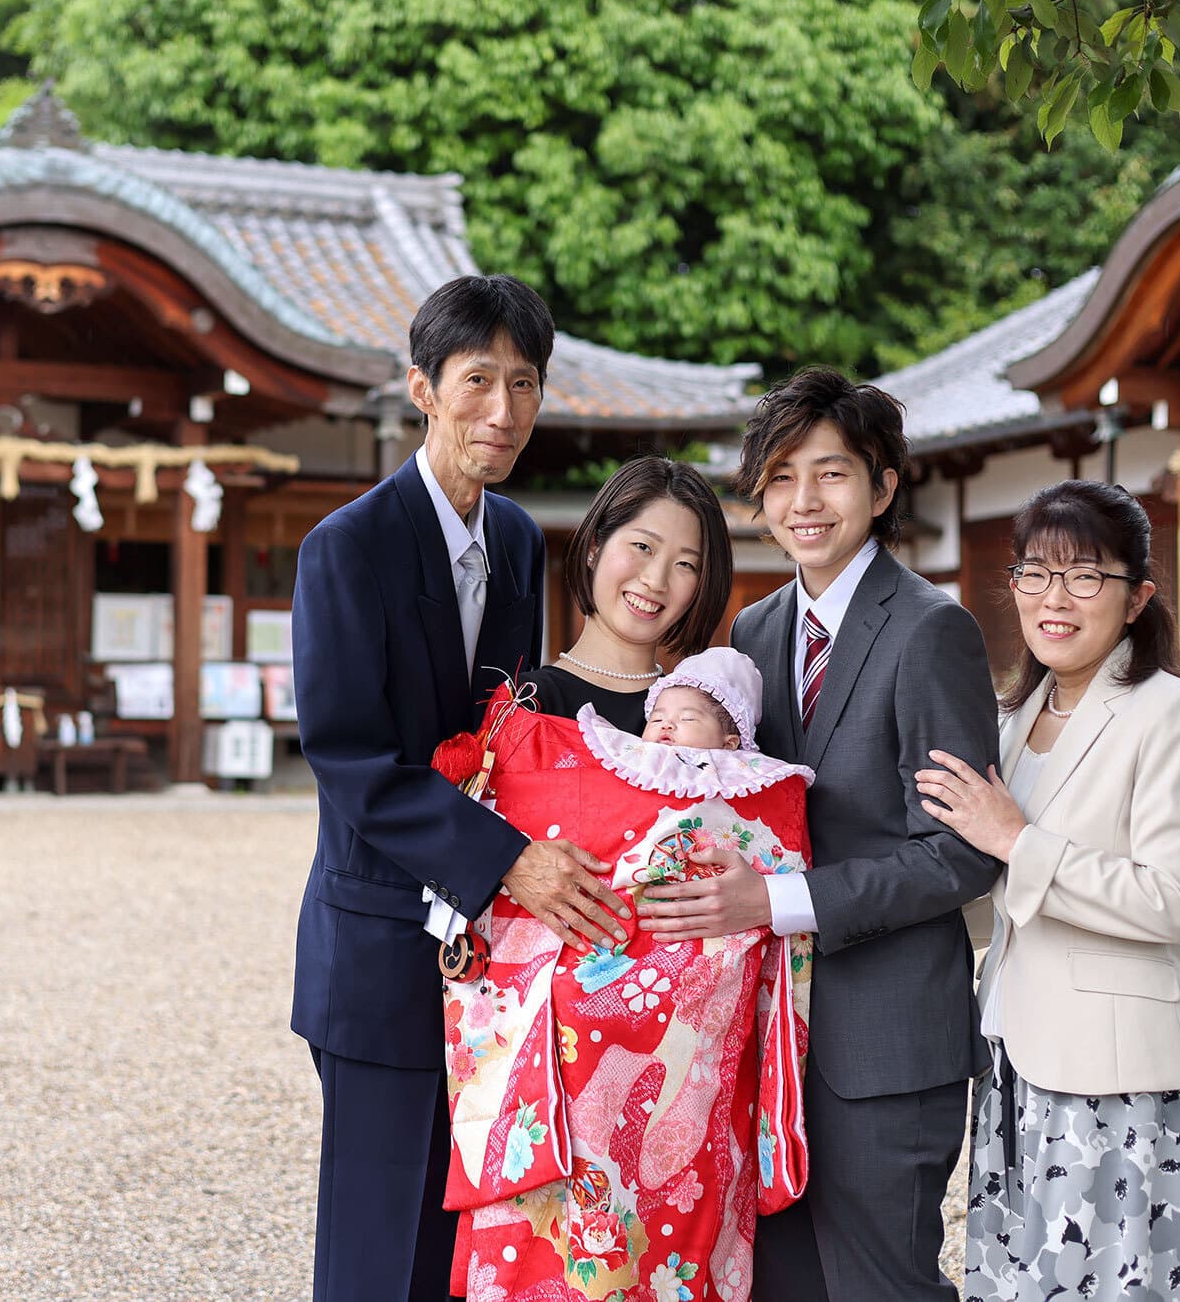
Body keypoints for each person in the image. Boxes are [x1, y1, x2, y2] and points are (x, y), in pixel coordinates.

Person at [290, 274, 631, 1302]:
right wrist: (505, 862)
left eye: (523, 384)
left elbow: (511, 733)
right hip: (381, 942)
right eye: (477, 380)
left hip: (495, 957)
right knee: (377, 1244)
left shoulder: (522, 540)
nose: (502, 411)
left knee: (473, 1239)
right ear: (421, 389)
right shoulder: (343, 549)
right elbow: (351, 755)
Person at [638, 366, 1001, 1301]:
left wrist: (779, 900)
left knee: (883, 1285)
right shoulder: (752, 633)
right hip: (763, 1039)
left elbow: (959, 850)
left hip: (884, 1042)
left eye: (832, 474)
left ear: (882, 487)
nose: (806, 501)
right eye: (784, 476)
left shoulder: (933, 629)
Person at [913, 481, 1180, 1301]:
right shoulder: (1012, 718)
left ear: (1138, 599)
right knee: (1028, 1276)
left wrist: (1016, 839)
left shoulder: (1175, 712)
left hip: (1118, 1073)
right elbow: (998, 892)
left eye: (1085, 576)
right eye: (1035, 573)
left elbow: (1172, 898)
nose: (1054, 599)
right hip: (1014, 1057)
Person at [439, 648, 814, 1301]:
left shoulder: (757, 787)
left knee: (685, 1213)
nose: (664, 728)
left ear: (733, 740)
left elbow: (771, 914)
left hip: (694, 1045)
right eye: (657, 715)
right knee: (570, 1198)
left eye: (688, 715)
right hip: (586, 1050)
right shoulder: (615, 768)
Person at [522, 455, 734, 734]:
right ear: (594, 547)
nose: (656, 581)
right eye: (642, 546)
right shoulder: (528, 702)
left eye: (685, 564)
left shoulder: (706, 718)